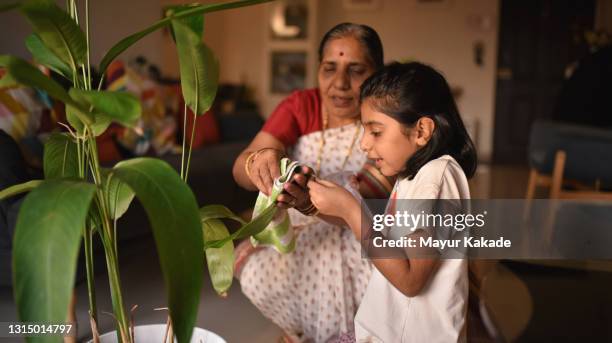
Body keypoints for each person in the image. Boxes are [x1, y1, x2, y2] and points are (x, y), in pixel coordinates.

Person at [232, 23, 390, 342]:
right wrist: (259, 160)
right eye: (329, 69)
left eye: (356, 70)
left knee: (383, 283)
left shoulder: (387, 112)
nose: (340, 84)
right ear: (317, 69)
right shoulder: (301, 105)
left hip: (365, 227)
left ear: (377, 73)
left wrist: (313, 200)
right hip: (297, 233)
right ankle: (301, 330)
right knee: (256, 272)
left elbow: (377, 192)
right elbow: (240, 168)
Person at [308, 62, 477, 342]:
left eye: (375, 132)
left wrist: (351, 210)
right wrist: (308, 201)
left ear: (421, 131)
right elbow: (378, 231)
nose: (364, 143)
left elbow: (411, 280)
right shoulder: (412, 175)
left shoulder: (437, 179)